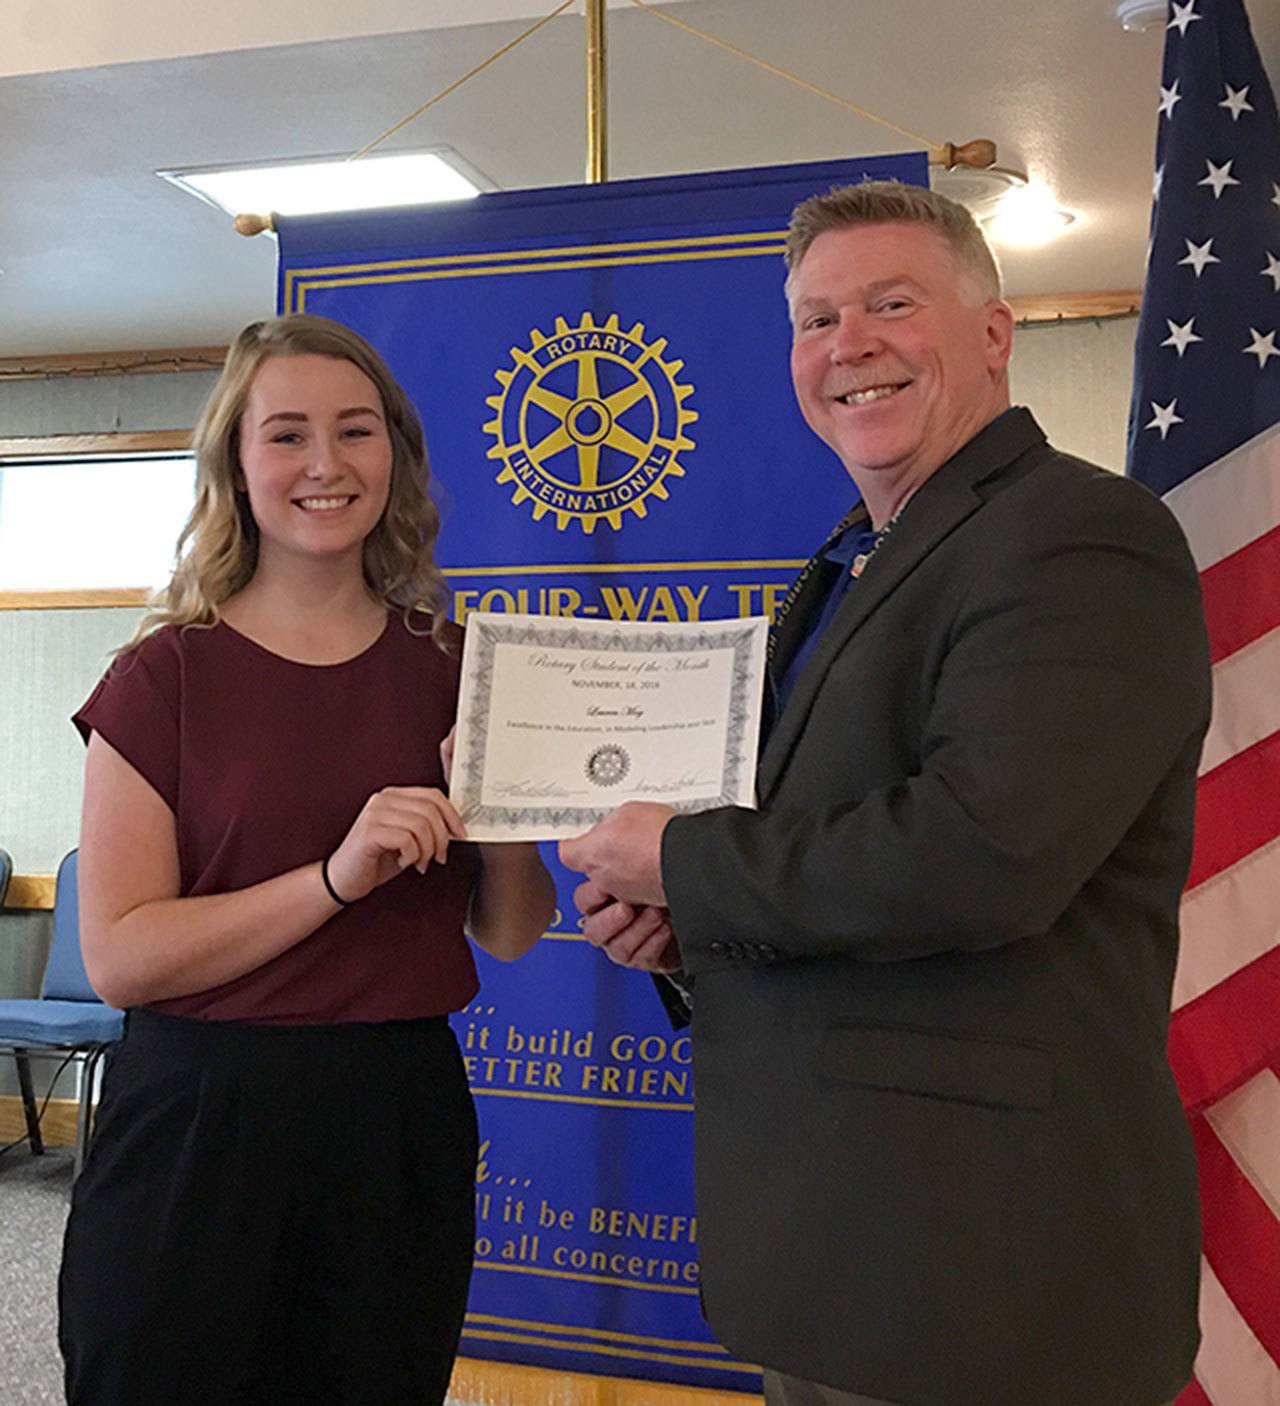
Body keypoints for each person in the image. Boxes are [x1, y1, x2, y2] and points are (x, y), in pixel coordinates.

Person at [559, 182, 1209, 1406]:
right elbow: (818, 848)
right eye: (814, 319)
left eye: (888, 303)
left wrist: (689, 865)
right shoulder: (854, 560)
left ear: (991, 332)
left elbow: (984, 849)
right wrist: (685, 927)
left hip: (979, 1278)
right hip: (849, 1257)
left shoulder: (1077, 534)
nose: (845, 343)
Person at [60, 314, 555, 1406]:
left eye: (356, 430)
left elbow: (514, 926)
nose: (325, 464)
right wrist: (336, 876)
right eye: (286, 434)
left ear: (397, 456)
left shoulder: (454, 663)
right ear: (235, 465)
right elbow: (123, 958)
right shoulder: (161, 677)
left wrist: (497, 802)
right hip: (199, 1116)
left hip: (397, 1114)